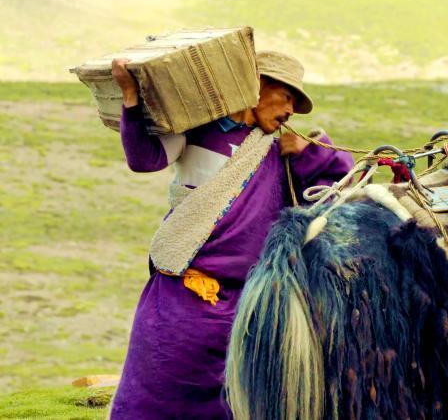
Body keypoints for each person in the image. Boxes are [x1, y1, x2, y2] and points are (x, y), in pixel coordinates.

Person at [109, 51, 354, 419]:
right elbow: (144, 159)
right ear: (255, 87)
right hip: (181, 298)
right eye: (286, 96)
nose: (290, 111)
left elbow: (335, 191)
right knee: (157, 394)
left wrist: (313, 152)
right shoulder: (197, 131)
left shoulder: (280, 154)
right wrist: (130, 97)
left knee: (235, 404)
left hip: (246, 306)